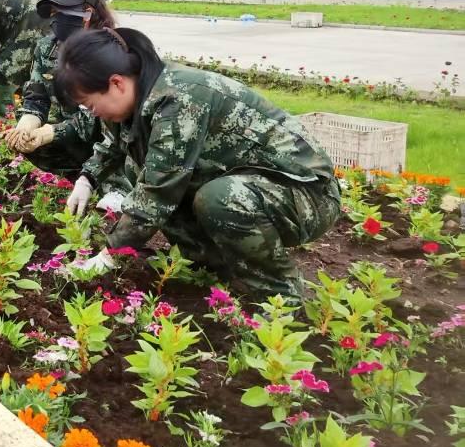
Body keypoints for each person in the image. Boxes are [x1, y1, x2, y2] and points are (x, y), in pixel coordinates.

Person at [57, 27, 339, 298]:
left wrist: (109, 254)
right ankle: (211, 266)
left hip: (307, 193)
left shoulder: (179, 98)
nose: (93, 114)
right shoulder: (138, 94)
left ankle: (280, 295)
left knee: (220, 198)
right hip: (251, 180)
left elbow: (158, 191)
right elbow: (114, 144)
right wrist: (87, 179)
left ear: (116, 83)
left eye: (91, 105)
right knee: (139, 167)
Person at [0, 0, 117, 178]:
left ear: (87, 13)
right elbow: (36, 96)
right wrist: (26, 127)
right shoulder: (48, 47)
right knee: (32, 143)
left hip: (106, 138)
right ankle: (73, 177)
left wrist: (49, 133)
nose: (57, 18)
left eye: (65, 11)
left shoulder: (109, 51)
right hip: (70, 132)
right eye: (54, 11)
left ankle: (100, 178)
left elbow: (99, 119)